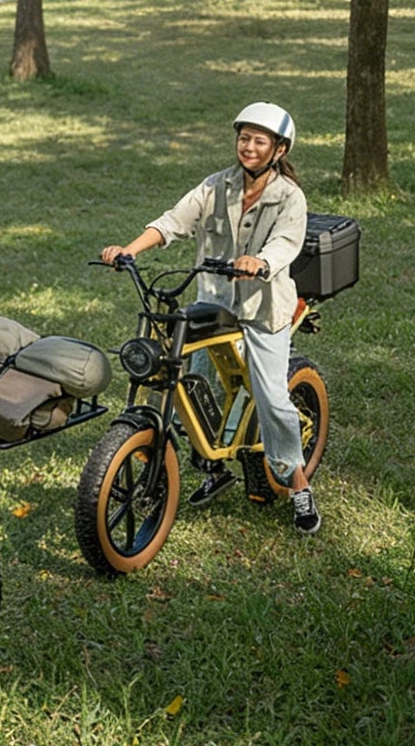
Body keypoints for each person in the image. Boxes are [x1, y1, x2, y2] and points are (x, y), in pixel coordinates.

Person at [100, 101, 321, 537]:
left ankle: (297, 482)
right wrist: (130, 249)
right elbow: (174, 221)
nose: (249, 147)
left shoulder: (289, 197)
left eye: (260, 141)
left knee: (272, 398)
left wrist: (259, 261)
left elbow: (286, 243)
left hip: (263, 310)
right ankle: (211, 466)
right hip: (216, 304)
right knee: (184, 376)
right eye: (244, 138)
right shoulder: (216, 185)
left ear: (279, 149)